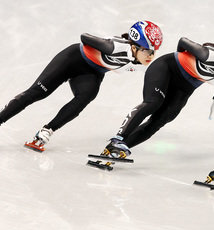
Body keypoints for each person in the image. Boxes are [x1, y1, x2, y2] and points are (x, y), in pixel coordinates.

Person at [0, 21, 163, 152]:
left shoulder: (143, 61)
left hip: (91, 73)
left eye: (154, 51)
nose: (151, 56)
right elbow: (84, 37)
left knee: (86, 97)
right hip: (71, 60)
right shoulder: (114, 47)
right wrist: (104, 46)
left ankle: (47, 130)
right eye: (148, 51)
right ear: (134, 47)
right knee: (37, 93)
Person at [100, 34, 214, 158]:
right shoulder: (207, 55)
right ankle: (118, 139)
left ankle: (120, 148)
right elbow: (183, 41)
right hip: (166, 68)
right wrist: (178, 59)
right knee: (153, 103)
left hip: (185, 86)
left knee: (162, 119)